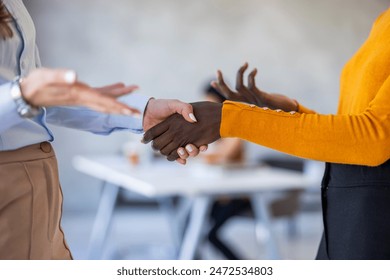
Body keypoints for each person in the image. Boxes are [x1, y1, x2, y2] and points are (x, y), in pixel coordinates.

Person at [144, 8, 390, 259]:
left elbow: (374, 139)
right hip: (345, 216)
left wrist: (229, 118)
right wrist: (288, 111)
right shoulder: (383, 21)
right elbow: (349, 133)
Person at [0, 0, 201, 260]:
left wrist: (141, 112)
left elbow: (41, 98)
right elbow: (28, 94)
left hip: (35, 181)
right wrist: (21, 95)